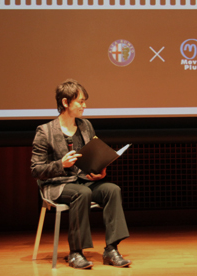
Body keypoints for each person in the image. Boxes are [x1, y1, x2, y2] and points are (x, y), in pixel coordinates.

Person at [31, 79, 131, 269]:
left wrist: (99, 170)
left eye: (85, 101)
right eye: (80, 101)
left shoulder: (86, 126)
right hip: (58, 185)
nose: (84, 106)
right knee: (82, 193)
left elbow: (92, 156)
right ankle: (76, 253)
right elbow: (36, 170)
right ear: (65, 102)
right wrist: (61, 164)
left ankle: (111, 249)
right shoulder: (45, 131)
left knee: (112, 190)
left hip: (83, 181)